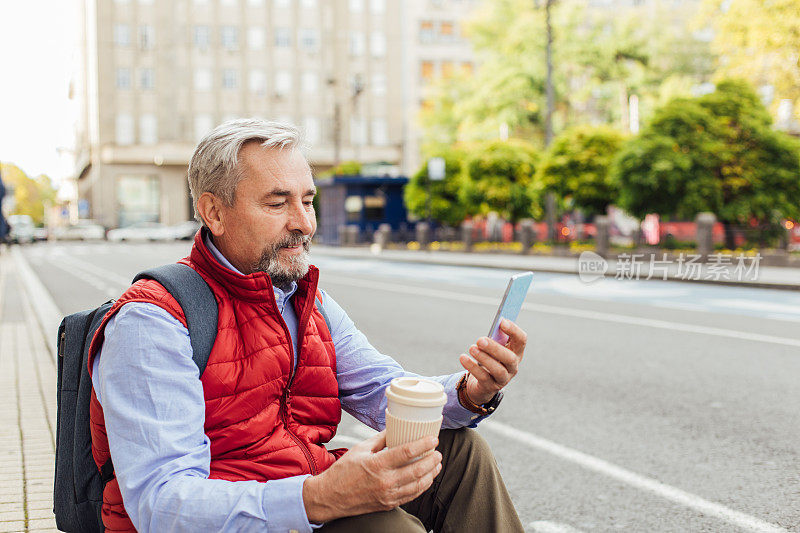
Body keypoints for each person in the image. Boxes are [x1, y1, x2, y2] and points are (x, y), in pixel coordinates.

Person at [88, 119, 529, 532]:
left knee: (458, 452)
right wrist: (319, 498)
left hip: (305, 492)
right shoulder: (152, 321)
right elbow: (162, 507)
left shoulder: (304, 300)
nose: (303, 223)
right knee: (381, 527)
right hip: (238, 517)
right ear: (214, 213)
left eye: (308, 200)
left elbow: (383, 390)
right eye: (277, 203)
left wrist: (472, 391)